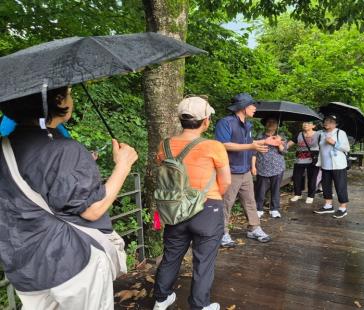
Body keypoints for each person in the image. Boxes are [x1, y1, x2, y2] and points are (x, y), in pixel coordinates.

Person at [0, 86, 138, 309]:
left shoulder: (5, 148)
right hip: (73, 261)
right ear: (58, 100)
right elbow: (92, 210)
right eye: (69, 94)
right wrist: (123, 165)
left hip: (24, 267)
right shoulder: (65, 149)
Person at [153, 96, 231, 310]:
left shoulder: (165, 144)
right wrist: (210, 199)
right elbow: (225, 182)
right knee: (204, 260)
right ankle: (199, 305)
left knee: (171, 255)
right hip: (207, 209)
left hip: (175, 208)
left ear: (181, 119)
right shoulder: (214, 146)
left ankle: (161, 299)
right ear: (206, 121)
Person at [215, 93, 271, 248]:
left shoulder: (247, 125)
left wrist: (264, 142)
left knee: (250, 202)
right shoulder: (225, 123)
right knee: (226, 203)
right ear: (244, 107)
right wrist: (251, 146)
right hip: (230, 171)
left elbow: (249, 144)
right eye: (252, 105)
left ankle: (254, 228)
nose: (255, 109)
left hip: (245, 171)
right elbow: (223, 145)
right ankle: (222, 233)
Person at [314, 115, 350, 218]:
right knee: (326, 186)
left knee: (340, 186)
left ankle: (343, 208)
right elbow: (319, 148)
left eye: (330, 121)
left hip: (338, 165)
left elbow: (347, 148)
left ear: (336, 124)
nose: (327, 122)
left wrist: (334, 143)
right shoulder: (321, 134)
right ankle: (328, 206)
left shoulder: (340, 133)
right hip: (325, 165)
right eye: (326, 120)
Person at [252, 117, 287, 219]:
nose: (271, 124)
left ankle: (274, 209)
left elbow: (284, 151)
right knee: (260, 190)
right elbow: (253, 152)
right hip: (262, 166)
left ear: (277, 125)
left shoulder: (281, 137)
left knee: (275, 189)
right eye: (269, 122)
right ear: (265, 124)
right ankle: (259, 208)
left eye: (274, 122)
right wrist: (253, 166)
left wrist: (279, 142)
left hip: (278, 167)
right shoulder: (259, 136)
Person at [288, 121, 321, 204]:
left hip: (313, 160)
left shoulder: (318, 135)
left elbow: (323, 146)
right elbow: (288, 144)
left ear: (313, 126)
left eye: (308, 123)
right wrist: (281, 145)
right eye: (304, 123)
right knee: (297, 177)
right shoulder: (299, 134)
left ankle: (310, 196)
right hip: (300, 159)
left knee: (312, 178)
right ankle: (297, 194)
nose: (305, 124)